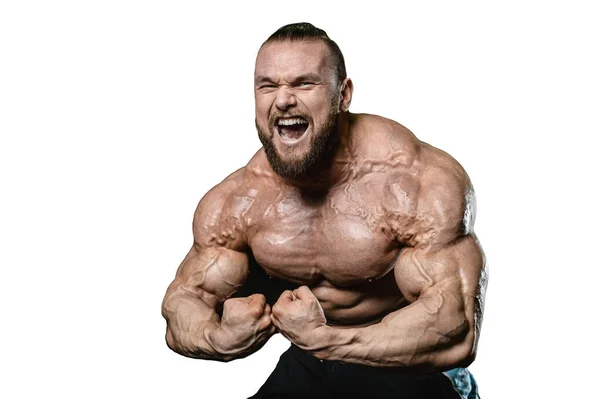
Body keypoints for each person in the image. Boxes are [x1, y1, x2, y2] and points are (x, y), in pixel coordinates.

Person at [162, 22, 487, 399]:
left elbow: (456, 328)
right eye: (267, 85)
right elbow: (182, 304)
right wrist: (216, 337)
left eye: (304, 83)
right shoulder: (240, 201)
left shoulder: (413, 181)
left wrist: (328, 339)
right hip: (312, 362)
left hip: (413, 370)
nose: (283, 100)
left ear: (343, 94)